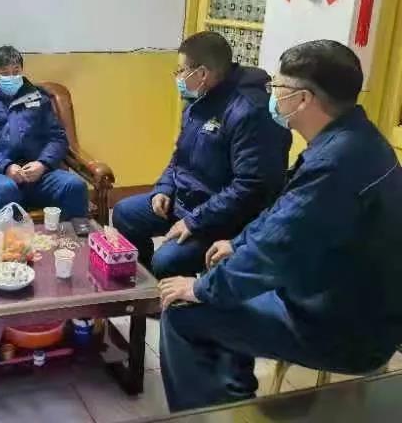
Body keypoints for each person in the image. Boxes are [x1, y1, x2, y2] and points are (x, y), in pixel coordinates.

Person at [158, 40, 402, 412]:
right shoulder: (356, 140)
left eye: (277, 87)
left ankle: (202, 415)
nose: (271, 95)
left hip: (340, 327)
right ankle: (233, 398)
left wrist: (201, 288)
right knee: (227, 277)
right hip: (335, 295)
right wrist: (238, 242)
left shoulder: (335, 165)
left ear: (302, 99)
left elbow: (274, 251)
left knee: (182, 312)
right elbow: (284, 215)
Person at [113, 32, 291, 278]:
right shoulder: (199, 100)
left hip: (223, 217)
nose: (177, 78)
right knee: (125, 213)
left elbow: (251, 187)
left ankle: (185, 293)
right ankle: (150, 286)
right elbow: (181, 154)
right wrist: (164, 188)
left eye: (181, 71)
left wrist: (194, 221)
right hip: (186, 200)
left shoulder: (250, 112)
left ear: (202, 74)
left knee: (166, 259)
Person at [0, 45, 88, 220]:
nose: (11, 77)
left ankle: (75, 235)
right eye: (5, 73)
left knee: (74, 185)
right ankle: (5, 237)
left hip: (39, 174)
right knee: (5, 189)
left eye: (16, 71)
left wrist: (43, 163)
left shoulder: (38, 98)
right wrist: (5, 166)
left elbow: (57, 138)